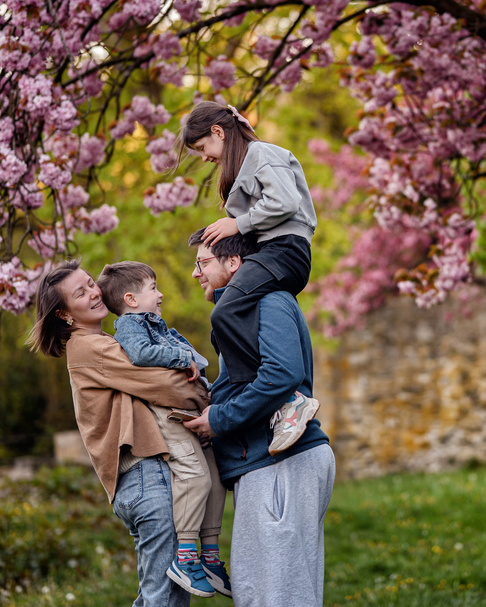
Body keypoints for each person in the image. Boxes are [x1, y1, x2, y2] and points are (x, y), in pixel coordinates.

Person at [27, 260, 207, 607]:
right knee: (163, 596)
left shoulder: (102, 341)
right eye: (80, 293)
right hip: (143, 474)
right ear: (64, 315)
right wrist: (203, 391)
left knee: (162, 593)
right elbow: (164, 384)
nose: (95, 293)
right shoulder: (90, 348)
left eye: (90, 283)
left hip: (139, 479)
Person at [182, 230, 335, 607]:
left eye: (202, 263)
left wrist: (219, 419)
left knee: (282, 593)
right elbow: (252, 380)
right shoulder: (243, 314)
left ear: (234, 263)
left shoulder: (269, 301)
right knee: (259, 591)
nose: (195, 273)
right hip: (263, 463)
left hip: (282, 461)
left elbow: (282, 374)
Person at [179, 101, 320, 453]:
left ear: (218, 132)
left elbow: (285, 201)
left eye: (202, 149)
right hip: (267, 253)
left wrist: (236, 223)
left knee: (225, 312)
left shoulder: (261, 154)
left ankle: (283, 400)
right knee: (227, 311)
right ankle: (252, 397)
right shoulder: (244, 167)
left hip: (285, 251)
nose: (204, 158)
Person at [97, 260, 231, 598]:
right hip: (166, 414)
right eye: (153, 288)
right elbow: (141, 355)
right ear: (130, 299)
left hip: (187, 408)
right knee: (194, 475)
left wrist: (203, 382)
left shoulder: (156, 324)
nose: (161, 294)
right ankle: (185, 557)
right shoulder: (129, 324)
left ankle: (210, 554)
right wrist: (180, 358)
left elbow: (195, 362)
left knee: (215, 478)